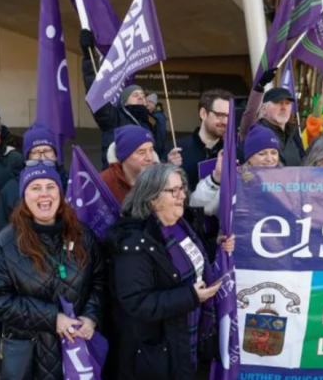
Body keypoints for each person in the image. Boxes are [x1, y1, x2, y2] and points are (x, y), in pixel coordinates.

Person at [103, 164, 234, 380]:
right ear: (152, 199)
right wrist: (191, 297)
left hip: (187, 337)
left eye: (182, 188)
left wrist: (215, 246)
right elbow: (136, 301)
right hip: (158, 353)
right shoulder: (134, 242)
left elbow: (190, 262)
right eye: (174, 191)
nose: (182, 195)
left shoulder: (182, 224)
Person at [0, 165, 105, 380]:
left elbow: (99, 280)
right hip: (29, 356)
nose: (44, 194)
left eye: (51, 187)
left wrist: (90, 316)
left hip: (78, 352)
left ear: (60, 193)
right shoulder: (4, 243)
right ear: (24, 196)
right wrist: (52, 318)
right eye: (35, 188)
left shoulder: (83, 235)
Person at [0, 127, 70, 345]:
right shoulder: (11, 189)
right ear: (27, 156)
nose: (42, 157)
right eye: (35, 152)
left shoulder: (72, 183)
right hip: (26, 276)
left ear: (56, 155)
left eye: (47, 151)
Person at [80, 30, 165, 168]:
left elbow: (158, 153)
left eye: (143, 96)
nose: (141, 98)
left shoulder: (150, 122)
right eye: (135, 95)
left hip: (146, 182)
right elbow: (95, 94)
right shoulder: (113, 117)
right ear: (124, 101)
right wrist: (89, 57)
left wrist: (169, 161)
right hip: (119, 182)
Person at [191, 124, 280, 216]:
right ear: (249, 157)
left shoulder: (286, 178)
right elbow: (201, 207)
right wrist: (216, 179)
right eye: (262, 154)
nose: (270, 159)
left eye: (274, 153)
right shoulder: (236, 179)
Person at [238, 69, 305, 166]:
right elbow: (249, 114)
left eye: (287, 103)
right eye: (278, 102)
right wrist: (259, 86)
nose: (283, 107)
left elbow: (305, 163)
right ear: (264, 109)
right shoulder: (256, 131)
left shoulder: (294, 133)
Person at [170, 89, 232, 191]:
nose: (226, 121)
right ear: (203, 114)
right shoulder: (177, 150)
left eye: (229, 116)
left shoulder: (232, 152)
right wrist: (168, 169)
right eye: (220, 115)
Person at [100, 125, 158, 204]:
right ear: (124, 155)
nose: (150, 158)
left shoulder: (162, 180)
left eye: (151, 150)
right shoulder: (103, 182)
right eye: (141, 152)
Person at [146, 93, 168, 160]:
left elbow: (160, 134)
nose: (147, 103)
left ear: (154, 104)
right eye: (146, 101)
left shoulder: (157, 116)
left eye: (150, 102)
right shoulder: (152, 114)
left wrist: (156, 148)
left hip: (157, 146)